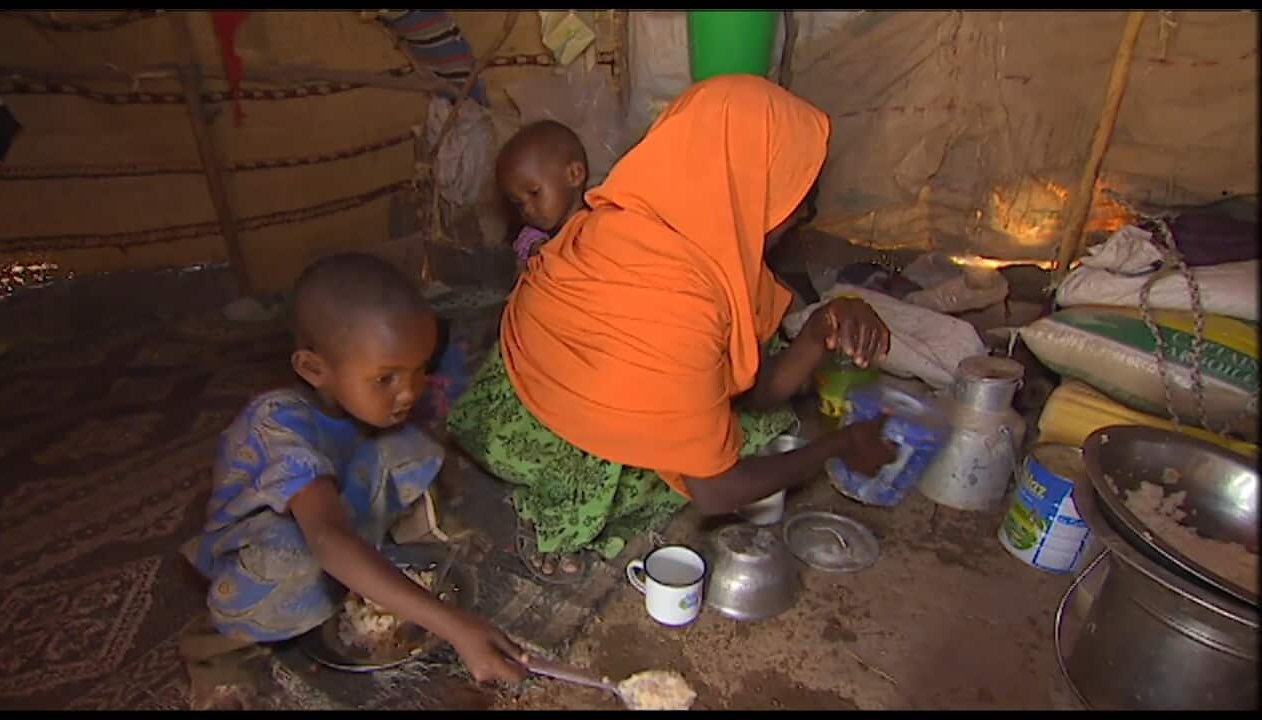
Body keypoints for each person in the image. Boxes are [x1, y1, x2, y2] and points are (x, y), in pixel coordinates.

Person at [447, 75, 896, 584]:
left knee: (744, 424)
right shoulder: (680, 298)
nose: (798, 221)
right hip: (536, 438)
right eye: (796, 203)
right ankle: (548, 511)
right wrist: (839, 445)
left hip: (504, 398)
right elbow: (715, 490)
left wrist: (821, 329)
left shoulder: (630, 217)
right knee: (705, 461)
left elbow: (746, 389)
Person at [179, 253, 526, 702]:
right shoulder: (277, 427)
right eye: (386, 378)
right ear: (313, 370)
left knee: (410, 444)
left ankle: (381, 558)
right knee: (294, 558)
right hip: (266, 544)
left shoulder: (356, 400)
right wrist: (452, 625)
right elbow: (324, 537)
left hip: (335, 507)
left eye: (420, 368)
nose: (410, 390)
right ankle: (219, 648)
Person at [496, 119, 589, 272]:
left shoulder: (600, 220)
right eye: (519, 203)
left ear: (574, 174)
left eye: (534, 193)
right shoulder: (532, 239)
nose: (527, 209)